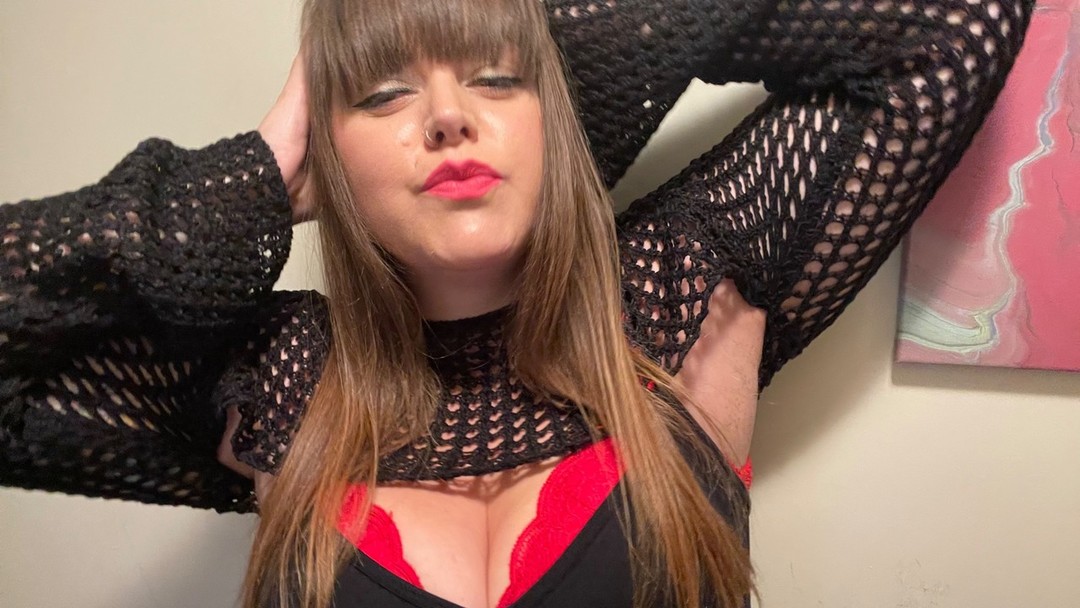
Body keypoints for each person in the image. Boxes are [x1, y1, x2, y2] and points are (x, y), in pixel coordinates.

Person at [0, 0, 1034, 607]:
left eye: (495, 80)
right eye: (384, 93)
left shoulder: (681, 283)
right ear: (330, 153)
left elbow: (953, 25)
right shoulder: (275, 382)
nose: (447, 116)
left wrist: (571, 49)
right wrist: (246, 185)